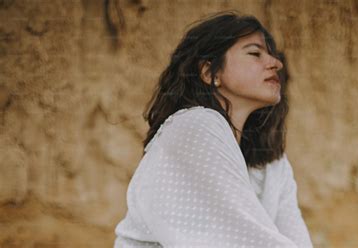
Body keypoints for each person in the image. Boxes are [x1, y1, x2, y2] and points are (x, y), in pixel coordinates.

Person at [114, 10, 313, 248]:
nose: (275, 63)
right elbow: (244, 240)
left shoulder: (273, 165)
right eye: (255, 53)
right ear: (210, 72)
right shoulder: (194, 126)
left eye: (271, 55)